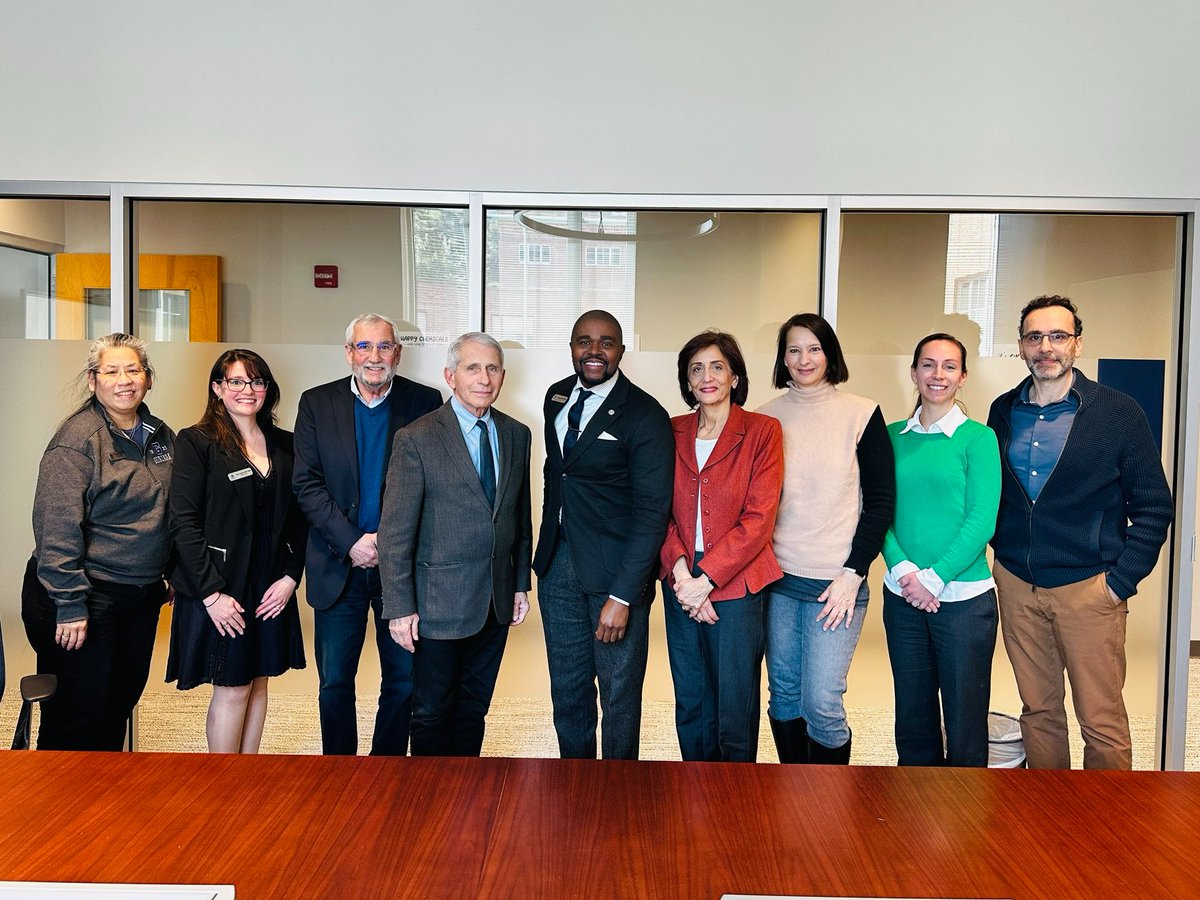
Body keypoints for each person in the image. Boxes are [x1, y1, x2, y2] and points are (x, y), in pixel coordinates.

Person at [988, 295, 1172, 770]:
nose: (1045, 346)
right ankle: (1050, 824)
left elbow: (1153, 507)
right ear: (1021, 346)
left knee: (1101, 720)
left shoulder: (1117, 412)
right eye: (1034, 337)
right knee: (1040, 713)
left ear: (1077, 343)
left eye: (1058, 336)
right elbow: (995, 497)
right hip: (1017, 584)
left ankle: (1107, 834)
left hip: (1089, 590)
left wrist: (1118, 584)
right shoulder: (1003, 411)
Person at [293, 314, 442, 755]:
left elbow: (434, 483)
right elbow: (306, 483)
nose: (374, 357)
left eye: (383, 347)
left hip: (401, 569)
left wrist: (389, 544)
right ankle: (339, 770)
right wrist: (353, 541)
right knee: (335, 681)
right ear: (348, 353)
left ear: (398, 353)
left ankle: (386, 767)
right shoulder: (316, 403)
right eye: (364, 347)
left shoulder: (425, 401)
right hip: (338, 564)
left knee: (402, 679)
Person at [378, 332, 532, 756]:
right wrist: (400, 607)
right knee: (430, 711)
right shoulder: (417, 438)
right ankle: (430, 804)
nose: (484, 378)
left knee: (474, 708)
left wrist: (519, 583)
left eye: (493, 368)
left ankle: (467, 794)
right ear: (450, 376)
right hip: (436, 603)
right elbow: (395, 533)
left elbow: (520, 517)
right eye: (472, 368)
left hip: (495, 601)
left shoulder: (517, 434)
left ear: (503, 376)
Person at [21, 333, 174, 751]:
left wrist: (173, 570)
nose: (124, 380)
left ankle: (105, 807)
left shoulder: (158, 434)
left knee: (118, 703)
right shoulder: (77, 441)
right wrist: (69, 606)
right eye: (111, 371)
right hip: (85, 596)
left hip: (138, 595)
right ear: (93, 381)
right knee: (78, 717)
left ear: (148, 378)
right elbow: (56, 529)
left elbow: (172, 508)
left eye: (133, 370)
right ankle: (62, 809)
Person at [533, 309, 673, 760]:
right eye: (584, 341)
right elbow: (555, 477)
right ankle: (575, 784)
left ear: (621, 351)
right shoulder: (556, 397)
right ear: (572, 346)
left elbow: (653, 511)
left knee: (617, 694)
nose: (594, 351)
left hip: (616, 575)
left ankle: (617, 794)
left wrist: (625, 595)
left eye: (606, 342)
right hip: (558, 567)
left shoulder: (645, 413)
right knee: (568, 689)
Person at [759, 313, 895, 765]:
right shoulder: (764, 418)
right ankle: (791, 792)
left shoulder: (862, 413)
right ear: (782, 358)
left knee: (822, 702)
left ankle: (829, 804)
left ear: (830, 354)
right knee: (784, 697)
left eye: (814, 349)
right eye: (794, 350)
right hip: (777, 581)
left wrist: (853, 574)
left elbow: (880, 502)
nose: (804, 359)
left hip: (838, 584)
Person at [167, 350, 308, 753]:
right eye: (236, 381)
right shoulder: (197, 442)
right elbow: (184, 523)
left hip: (269, 584)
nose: (247, 390)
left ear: (267, 388)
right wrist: (211, 595)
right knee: (232, 686)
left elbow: (300, 519)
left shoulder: (286, 444)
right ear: (217, 388)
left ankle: (248, 778)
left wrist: (289, 576)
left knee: (259, 680)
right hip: (221, 585)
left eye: (256, 381)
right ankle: (222, 789)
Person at [659, 330, 783, 762]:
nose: (706, 376)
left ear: (734, 376)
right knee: (691, 698)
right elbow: (659, 512)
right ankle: (695, 794)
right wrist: (682, 577)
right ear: (686, 380)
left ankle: (735, 803)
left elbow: (758, 518)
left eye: (717, 366)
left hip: (737, 580)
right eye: (696, 369)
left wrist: (705, 580)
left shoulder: (763, 431)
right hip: (679, 577)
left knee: (734, 701)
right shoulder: (670, 431)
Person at [881, 333, 1001, 766]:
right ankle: (913, 818)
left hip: (964, 601)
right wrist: (905, 572)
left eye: (949, 366)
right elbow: (877, 511)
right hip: (902, 595)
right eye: (928, 364)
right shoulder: (890, 436)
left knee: (965, 723)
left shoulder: (979, 439)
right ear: (913, 372)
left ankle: (965, 827)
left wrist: (933, 578)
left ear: (963, 377)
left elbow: (981, 520)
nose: (938, 375)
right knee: (912, 719)